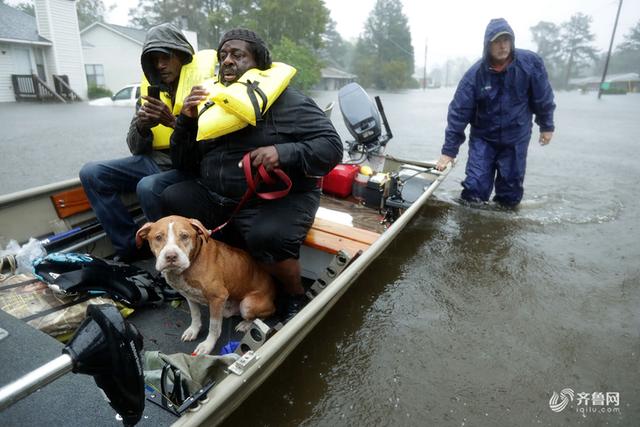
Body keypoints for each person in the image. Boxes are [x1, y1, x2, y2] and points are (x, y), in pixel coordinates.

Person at [161, 28, 343, 319]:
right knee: (171, 196)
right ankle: (208, 275)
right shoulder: (213, 101)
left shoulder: (290, 101)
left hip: (277, 198)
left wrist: (283, 153)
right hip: (221, 196)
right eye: (223, 56)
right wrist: (185, 121)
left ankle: (293, 294)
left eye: (237, 54)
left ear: (259, 62)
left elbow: (332, 147)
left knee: (268, 236)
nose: (227, 61)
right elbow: (183, 164)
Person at [79, 23, 215, 262]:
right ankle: (130, 246)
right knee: (91, 173)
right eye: (154, 60)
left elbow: (210, 144)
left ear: (181, 55)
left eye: (166, 58)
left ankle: (172, 256)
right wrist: (142, 126)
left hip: (188, 166)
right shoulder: (150, 92)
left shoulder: (205, 86)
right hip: (153, 161)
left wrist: (173, 121)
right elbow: (135, 148)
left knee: (148, 186)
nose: (160, 65)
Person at [435, 18, 556, 207]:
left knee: (510, 194)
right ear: (488, 45)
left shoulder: (530, 64)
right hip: (483, 138)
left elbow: (543, 97)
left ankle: (503, 228)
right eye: (497, 41)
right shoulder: (475, 75)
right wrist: (448, 151)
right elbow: (459, 112)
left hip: (516, 137)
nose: (503, 46)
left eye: (506, 40)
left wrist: (546, 125)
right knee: (474, 191)